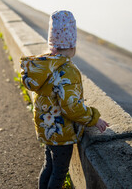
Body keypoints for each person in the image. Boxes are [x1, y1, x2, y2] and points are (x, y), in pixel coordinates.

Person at [20, 10, 109, 189]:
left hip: (46, 127)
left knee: (49, 166)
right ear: (72, 45)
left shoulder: (44, 65)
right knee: (59, 172)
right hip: (61, 132)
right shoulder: (67, 70)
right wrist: (93, 118)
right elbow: (71, 107)